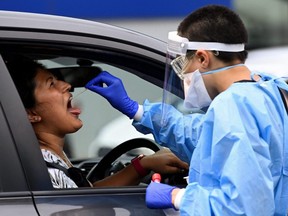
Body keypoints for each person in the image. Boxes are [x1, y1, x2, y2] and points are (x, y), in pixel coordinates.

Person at [84, 4, 288, 216]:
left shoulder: (234, 104)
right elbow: (204, 139)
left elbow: (244, 207)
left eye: (183, 63)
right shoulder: (268, 89)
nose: (183, 74)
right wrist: (136, 110)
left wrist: (177, 197)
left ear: (202, 58)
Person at [6, 56, 189, 189]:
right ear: (30, 113)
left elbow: (88, 195)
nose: (67, 86)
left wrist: (143, 165)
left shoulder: (49, 157)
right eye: (51, 84)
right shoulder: (45, 168)